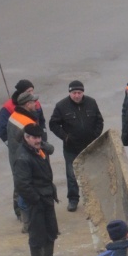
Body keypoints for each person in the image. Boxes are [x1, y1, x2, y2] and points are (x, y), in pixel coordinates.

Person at [13, 124, 66, 256]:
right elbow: (22, 184)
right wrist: (35, 199)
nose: (38, 140)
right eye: (35, 138)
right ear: (26, 138)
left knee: (51, 228)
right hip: (36, 199)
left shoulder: (38, 149)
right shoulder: (23, 157)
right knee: (37, 231)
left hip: (47, 194)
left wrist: (40, 144)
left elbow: (51, 149)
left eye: (39, 137)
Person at [48, 80, 104, 212]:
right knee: (72, 175)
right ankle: (73, 199)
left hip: (90, 146)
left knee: (92, 172)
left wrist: (95, 135)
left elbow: (99, 120)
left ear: (83, 92)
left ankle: (93, 198)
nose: (77, 95)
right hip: (71, 149)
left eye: (79, 92)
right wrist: (65, 137)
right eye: (74, 93)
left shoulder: (91, 102)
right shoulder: (61, 106)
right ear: (70, 93)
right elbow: (53, 124)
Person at [0, 80, 45, 219]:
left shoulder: (34, 105)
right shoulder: (8, 109)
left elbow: (41, 123)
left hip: (34, 149)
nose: (32, 95)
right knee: (21, 183)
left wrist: (42, 141)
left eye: (32, 90)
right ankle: (21, 213)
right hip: (20, 153)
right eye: (28, 92)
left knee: (34, 182)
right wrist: (14, 148)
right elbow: (3, 132)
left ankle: (31, 212)